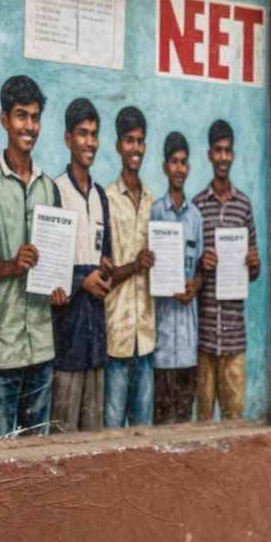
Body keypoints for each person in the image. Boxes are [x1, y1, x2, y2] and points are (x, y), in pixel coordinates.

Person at [0, 75, 67, 439]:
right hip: (1, 348)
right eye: (20, 116)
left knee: (37, 458)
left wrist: (58, 290)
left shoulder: (50, 188)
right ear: (4, 120)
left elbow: (56, 269)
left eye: (35, 117)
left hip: (42, 347)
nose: (29, 126)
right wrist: (13, 265)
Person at [50, 97, 113, 433]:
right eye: (82, 133)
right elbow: (49, 262)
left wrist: (107, 272)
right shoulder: (56, 191)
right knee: (64, 430)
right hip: (69, 335)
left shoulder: (101, 196)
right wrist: (82, 280)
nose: (89, 141)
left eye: (94, 134)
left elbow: (108, 255)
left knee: (94, 431)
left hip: (96, 338)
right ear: (67, 138)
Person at [193, 119, 259, 421]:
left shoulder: (244, 205)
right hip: (203, 336)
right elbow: (188, 266)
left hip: (234, 338)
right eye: (217, 150)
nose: (222, 157)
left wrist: (253, 264)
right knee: (204, 419)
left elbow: (253, 271)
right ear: (209, 154)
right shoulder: (196, 206)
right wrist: (200, 264)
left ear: (233, 155)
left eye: (227, 151)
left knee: (235, 419)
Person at [103, 106, 157, 428]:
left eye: (140, 141)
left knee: (143, 429)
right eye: (128, 140)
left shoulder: (154, 200)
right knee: (112, 429)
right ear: (118, 145)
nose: (135, 148)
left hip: (147, 334)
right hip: (117, 333)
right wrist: (136, 266)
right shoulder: (105, 199)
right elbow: (105, 271)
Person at [150, 132, 203, 425]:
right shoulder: (154, 211)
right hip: (162, 340)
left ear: (189, 167)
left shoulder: (196, 217)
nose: (179, 168)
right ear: (164, 166)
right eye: (174, 162)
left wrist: (195, 283)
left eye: (184, 162)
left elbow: (201, 269)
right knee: (161, 421)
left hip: (188, 343)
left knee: (184, 420)